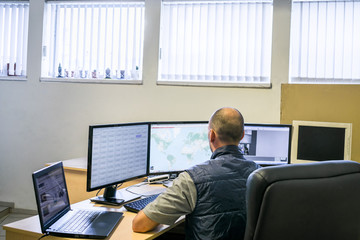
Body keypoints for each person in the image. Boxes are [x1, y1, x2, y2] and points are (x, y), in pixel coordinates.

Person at [132, 107, 260, 239]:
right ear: (242, 135)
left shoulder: (193, 178)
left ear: (211, 135)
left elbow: (139, 224)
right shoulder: (260, 175)